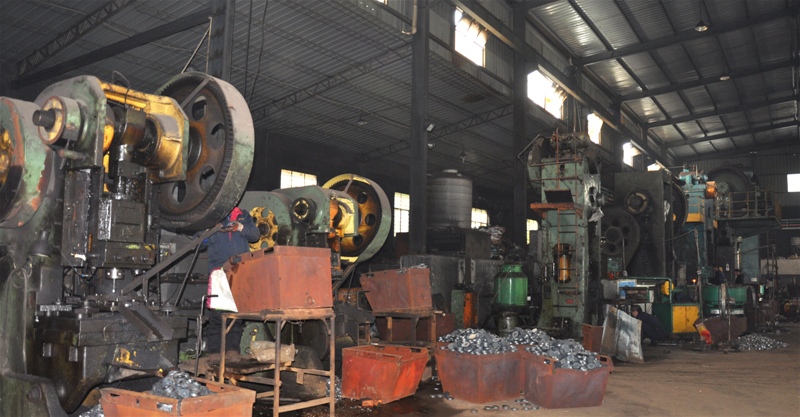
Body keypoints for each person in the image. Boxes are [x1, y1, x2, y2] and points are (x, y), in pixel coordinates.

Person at [203, 207, 260, 362]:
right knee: (217, 314)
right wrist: (210, 231)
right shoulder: (212, 216)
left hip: (239, 270)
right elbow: (199, 243)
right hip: (219, 271)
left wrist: (240, 227)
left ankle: (232, 350)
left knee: (236, 313)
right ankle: (215, 351)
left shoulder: (243, 215)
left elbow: (255, 236)